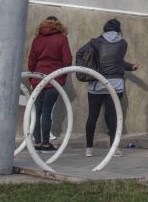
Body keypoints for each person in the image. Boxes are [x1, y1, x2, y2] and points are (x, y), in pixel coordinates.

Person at [76, 18, 138, 157]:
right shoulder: (123, 43)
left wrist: (84, 69)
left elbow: (80, 53)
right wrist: (130, 67)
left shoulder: (95, 42)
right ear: (118, 30)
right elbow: (118, 61)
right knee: (113, 117)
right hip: (115, 85)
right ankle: (114, 148)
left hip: (96, 84)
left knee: (92, 115)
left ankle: (89, 149)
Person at [26, 16, 72, 151]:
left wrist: (32, 78)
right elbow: (67, 60)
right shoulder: (62, 38)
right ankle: (46, 142)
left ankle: (37, 142)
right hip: (54, 79)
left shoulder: (37, 39)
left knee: (36, 111)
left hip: (38, 78)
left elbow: (31, 60)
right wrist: (62, 76)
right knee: (47, 110)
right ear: (58, 25)